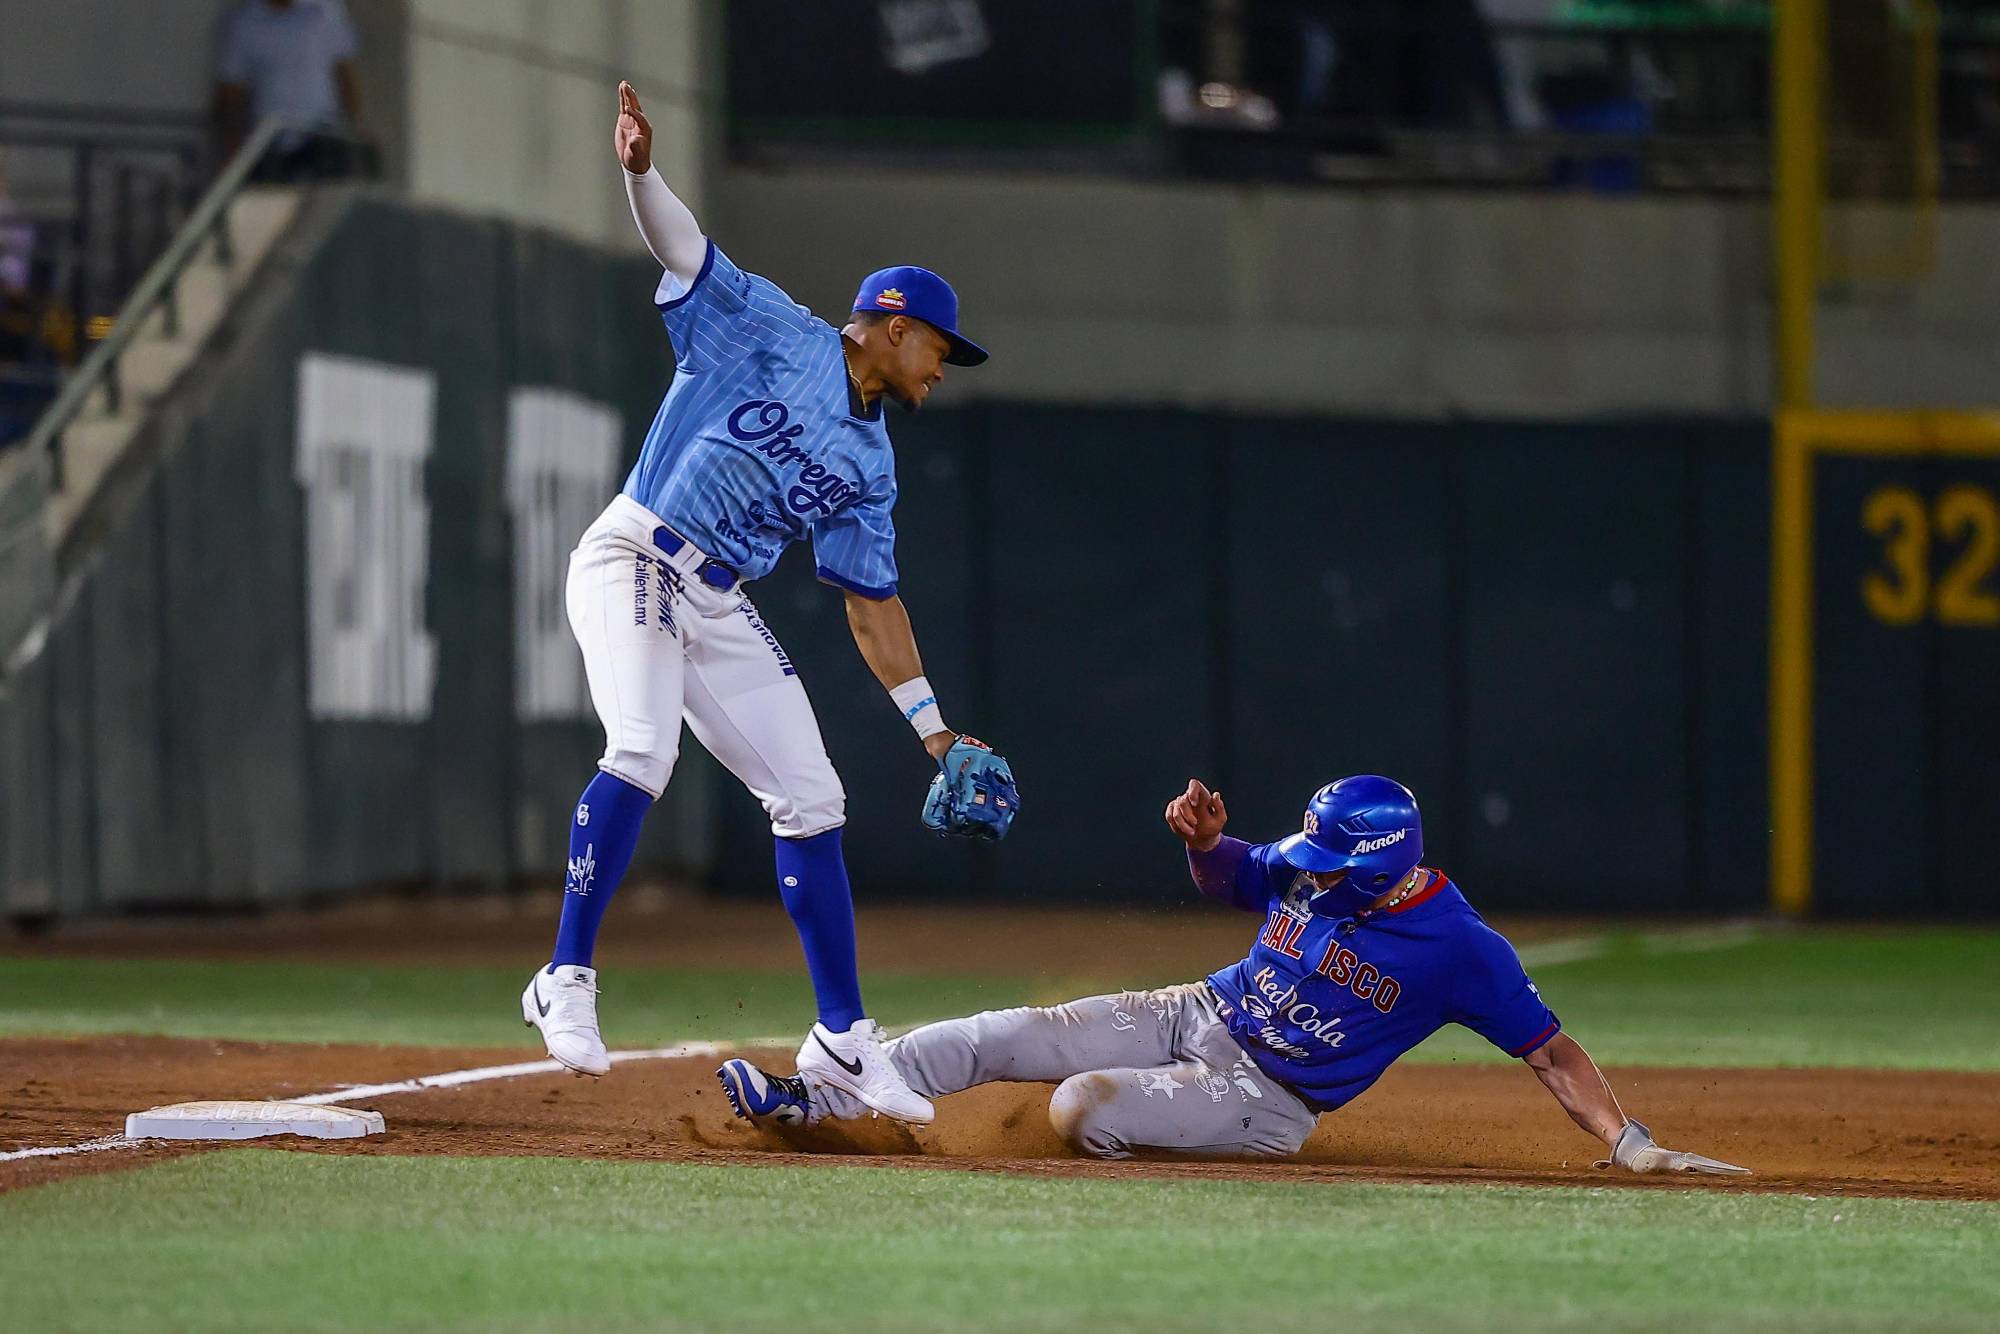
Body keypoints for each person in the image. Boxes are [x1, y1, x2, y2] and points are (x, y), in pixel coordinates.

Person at [522, 83, 1018, 1127]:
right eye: (937, 345)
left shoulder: (871, 461)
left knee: (811, 795)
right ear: (887, 325)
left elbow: (870, 605)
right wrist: (639, 171)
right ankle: (563, 974)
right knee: (642, 748)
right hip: (633, 554)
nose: (942, 368)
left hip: (712, 598)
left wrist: (937, 736)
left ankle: (841, 1037)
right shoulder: (770, 327)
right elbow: (683, 251)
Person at [719, 774, 1747, 1175]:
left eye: (1329, 861)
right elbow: (1235, 877)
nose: (1307, 873)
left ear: (1384, 864)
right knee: (1004, 1032)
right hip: (1197, 1007)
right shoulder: (1314, 875)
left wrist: (1628, 1141)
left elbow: (1547, 1046)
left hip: (1267, 1095)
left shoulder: (1459, 948)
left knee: (1080, 1107)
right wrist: (1205, 843)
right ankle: (822, 1093)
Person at [213, 0, 367, 181]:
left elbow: (344, 71)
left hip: (324, 138)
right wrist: (232, 150)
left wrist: (357, 126)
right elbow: (232, 90)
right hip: (269, 143)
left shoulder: (326, 10)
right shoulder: (244, 22)